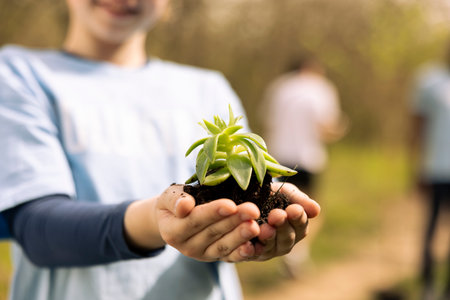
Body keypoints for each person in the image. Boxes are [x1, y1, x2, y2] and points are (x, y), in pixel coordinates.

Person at [0, 1, 321, 300]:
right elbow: (36, 228)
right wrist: (156, 221)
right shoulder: (17, 74)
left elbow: (243, 202)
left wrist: (257, 232)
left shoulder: (208, 89)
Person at [260, 56, 346, 278]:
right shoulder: (320, 89)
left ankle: (288, 253)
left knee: (280, 209)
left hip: (276, 157)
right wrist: (341, 129)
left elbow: (267, 121)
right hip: (307, 158)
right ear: (312, 68)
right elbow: (325, 128)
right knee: (313, 209)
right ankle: (296, 254)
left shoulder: (278, 87)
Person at [410, 42, 450, 300]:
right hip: (435, 168)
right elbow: (418, 126)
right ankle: (427, 283)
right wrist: (415, 165)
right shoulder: (429, 80)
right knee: (431, 227)